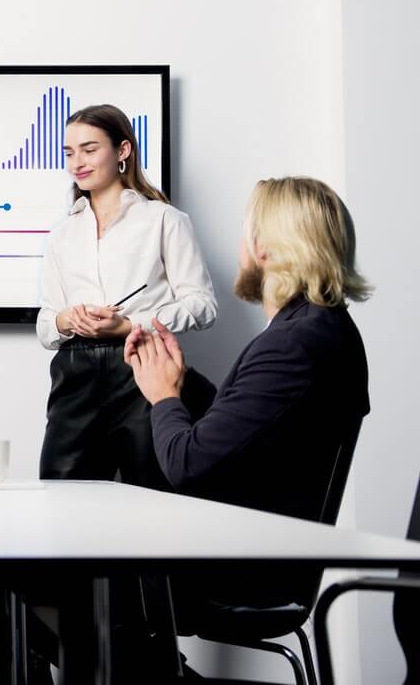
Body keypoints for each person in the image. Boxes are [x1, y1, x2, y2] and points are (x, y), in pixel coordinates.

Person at [125, 176, 370, 621]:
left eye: (245, 230)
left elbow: (188, 465)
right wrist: (180, 381)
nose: (241, 244)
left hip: (243, 570)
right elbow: (248, 429)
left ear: (266, 248)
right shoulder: (322, 331)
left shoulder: (293, 344)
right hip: (268, 556)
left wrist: (163, 398)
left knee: (61, 571)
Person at [36, 104, 217, 489]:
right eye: (69, 153)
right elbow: (46, 323)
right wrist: (69, 319)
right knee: (59, 496)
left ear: (122, 151)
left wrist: (130, 325)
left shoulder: (164, 220)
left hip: (143, 369)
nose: (77, 163)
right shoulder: (61, 234)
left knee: (155, 496)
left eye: (89, 149)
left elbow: (203, 306)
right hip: (75, 375)